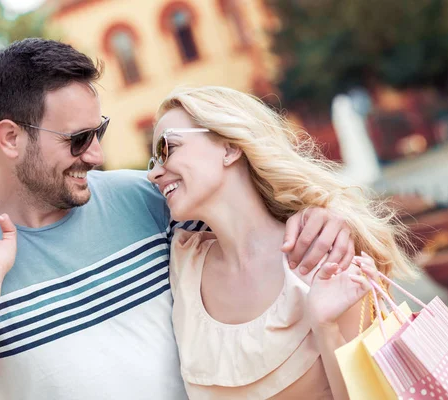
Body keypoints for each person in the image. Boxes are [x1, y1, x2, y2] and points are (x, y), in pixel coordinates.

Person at [0, 39, 355, 400]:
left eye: (97, 132)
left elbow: (251, 224)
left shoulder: (150, 199)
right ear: (10, 139)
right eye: (78, 139)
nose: (97, 155)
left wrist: (323, 220)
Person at [146, 86, 418, 400]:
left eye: (167, 149)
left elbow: (373, 394)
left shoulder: (322, 251)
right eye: (152, 160)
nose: (154, 173)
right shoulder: (183, 261)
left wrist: (325, 327)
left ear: (230, 147)